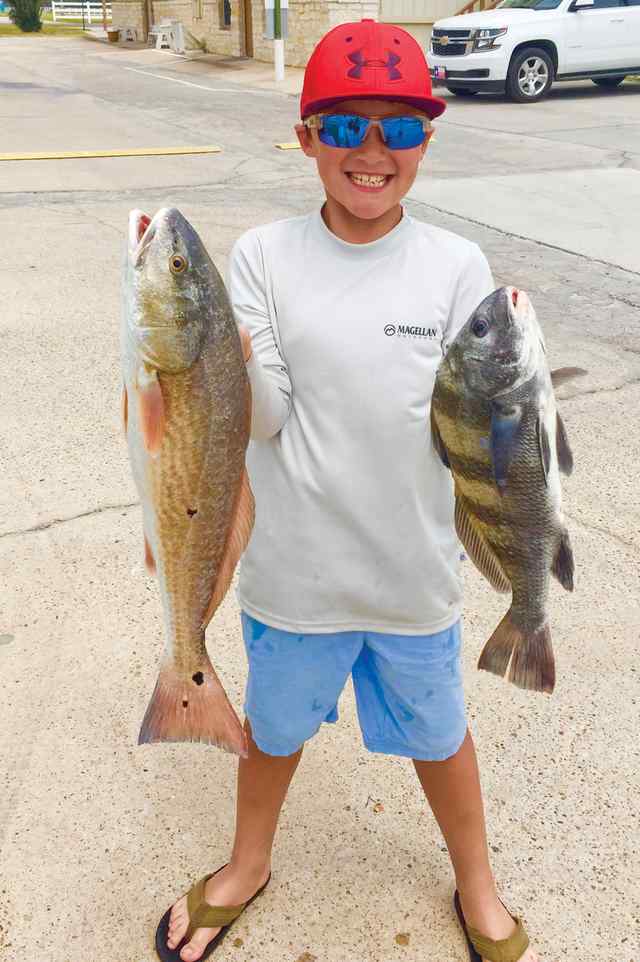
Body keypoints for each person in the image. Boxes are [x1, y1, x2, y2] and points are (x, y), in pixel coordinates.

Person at [157, 18, 538, 962]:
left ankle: (476, 880)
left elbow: (477, 426)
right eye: (345, 127)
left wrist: (522, 388)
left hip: (412, 576)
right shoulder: (261, 258)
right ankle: (247, 864)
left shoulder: (456, 267)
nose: (372, 152)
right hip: (296, 578)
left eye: (399, 129)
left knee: (441, 736)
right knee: (275, 734)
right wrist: (219, 363)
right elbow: (269, 417)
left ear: (425, 143)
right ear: (306, 138)